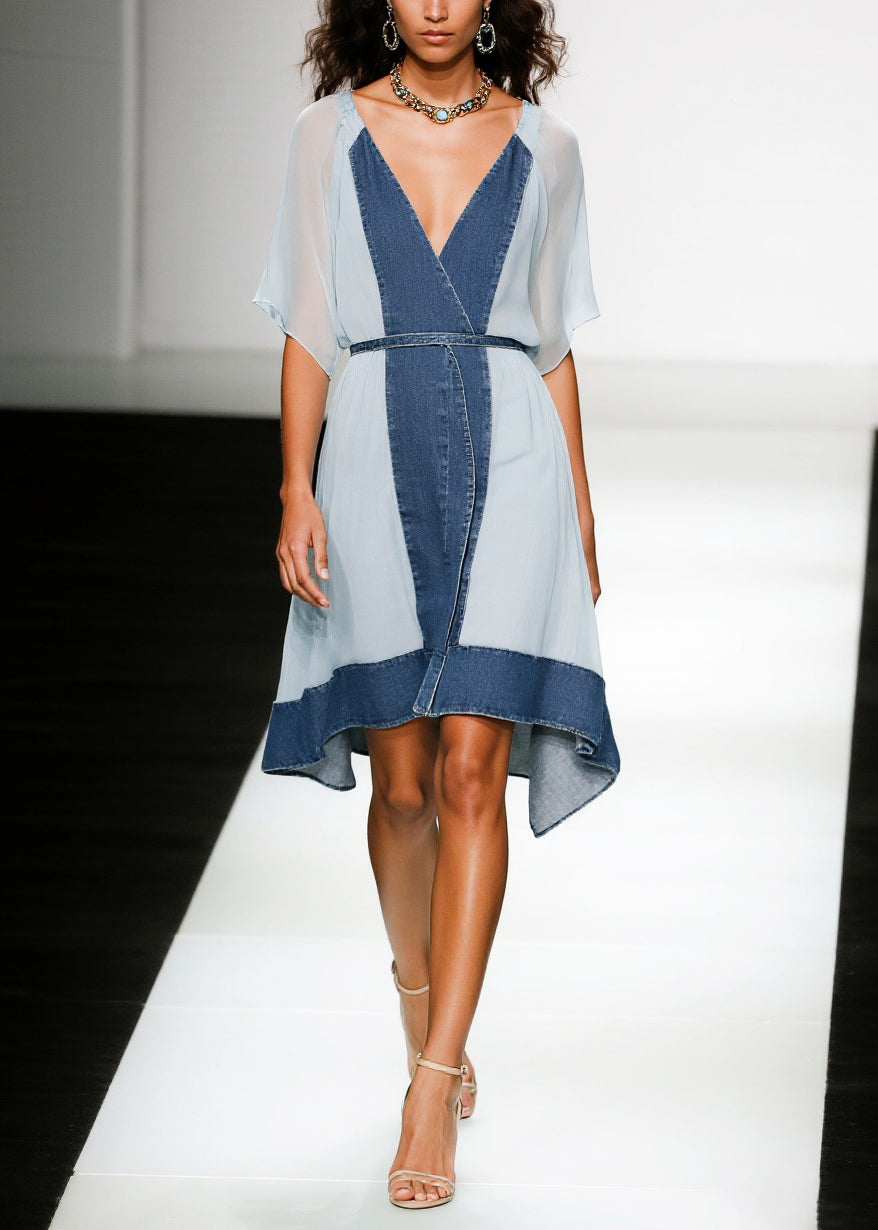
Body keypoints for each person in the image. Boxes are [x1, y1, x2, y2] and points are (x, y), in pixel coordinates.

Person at [251, 0, 620, 1210]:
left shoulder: (547, 149)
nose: (436, 3)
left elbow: (551, 344)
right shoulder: (324, 136)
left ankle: (431, 1081)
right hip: (369, 451)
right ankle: (419, 1001)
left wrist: (578, 509)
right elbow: (310, 324)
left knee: (472, 771)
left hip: (513, 459)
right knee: (403, 783)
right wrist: (294, 488)